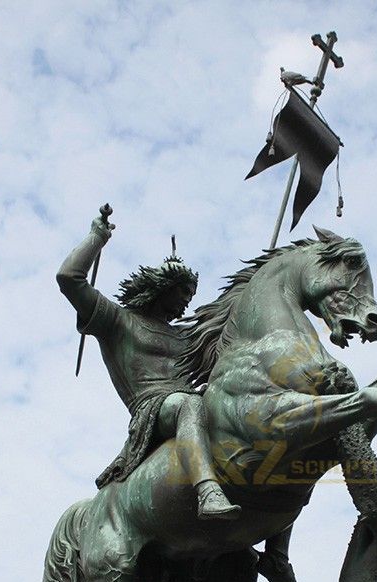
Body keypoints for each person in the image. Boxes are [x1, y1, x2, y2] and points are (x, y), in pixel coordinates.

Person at [57, 214, 240, 520]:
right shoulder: (117, 321)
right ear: (163, 286)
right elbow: (69, 278)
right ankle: (207, 492)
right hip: (153, 409)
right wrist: (96, 238)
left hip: (191, 405)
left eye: (191, 296)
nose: (186, 301)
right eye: (183, 292)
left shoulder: (185, 338)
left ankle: (276, 547)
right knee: (188, 404)